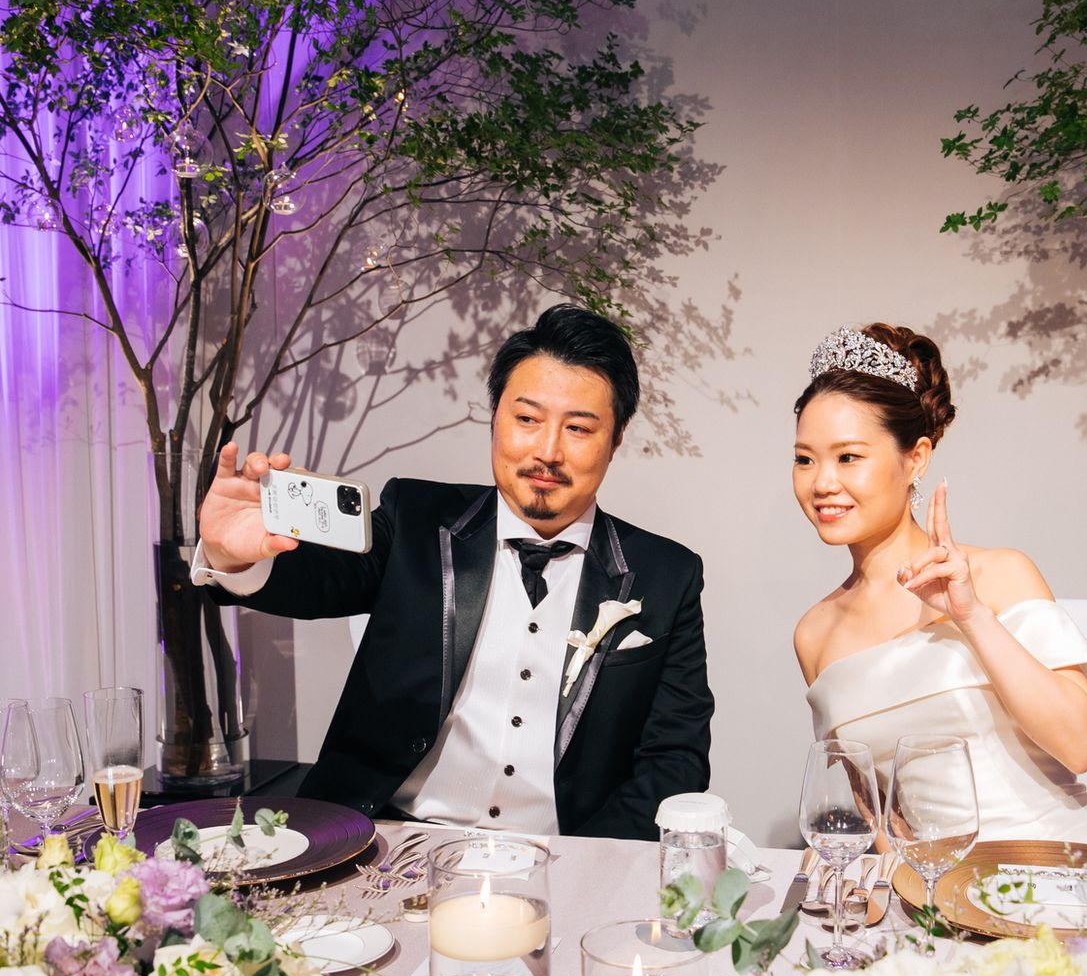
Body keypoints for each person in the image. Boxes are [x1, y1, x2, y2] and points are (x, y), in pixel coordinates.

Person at [192, 304, 713, 841]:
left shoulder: (667, 575)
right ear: (495, 419)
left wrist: (588, 863)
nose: (547, 451)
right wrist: (235, 556)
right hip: (388, 840)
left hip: (565, 854)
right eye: (527, 419)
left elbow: (675, 759)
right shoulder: (414, 519)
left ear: (615, 439)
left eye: (578, 428)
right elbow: (318, 582)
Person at [791, 323, 1087, 844]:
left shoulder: (999, 574)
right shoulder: (815, 633)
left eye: (848, 457)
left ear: (915, 458)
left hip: (1059, 863)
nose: (823, 482)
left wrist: (971, 616)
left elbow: (1081, 746)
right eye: (805, 459)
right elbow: (877, 812)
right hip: (935, 882)